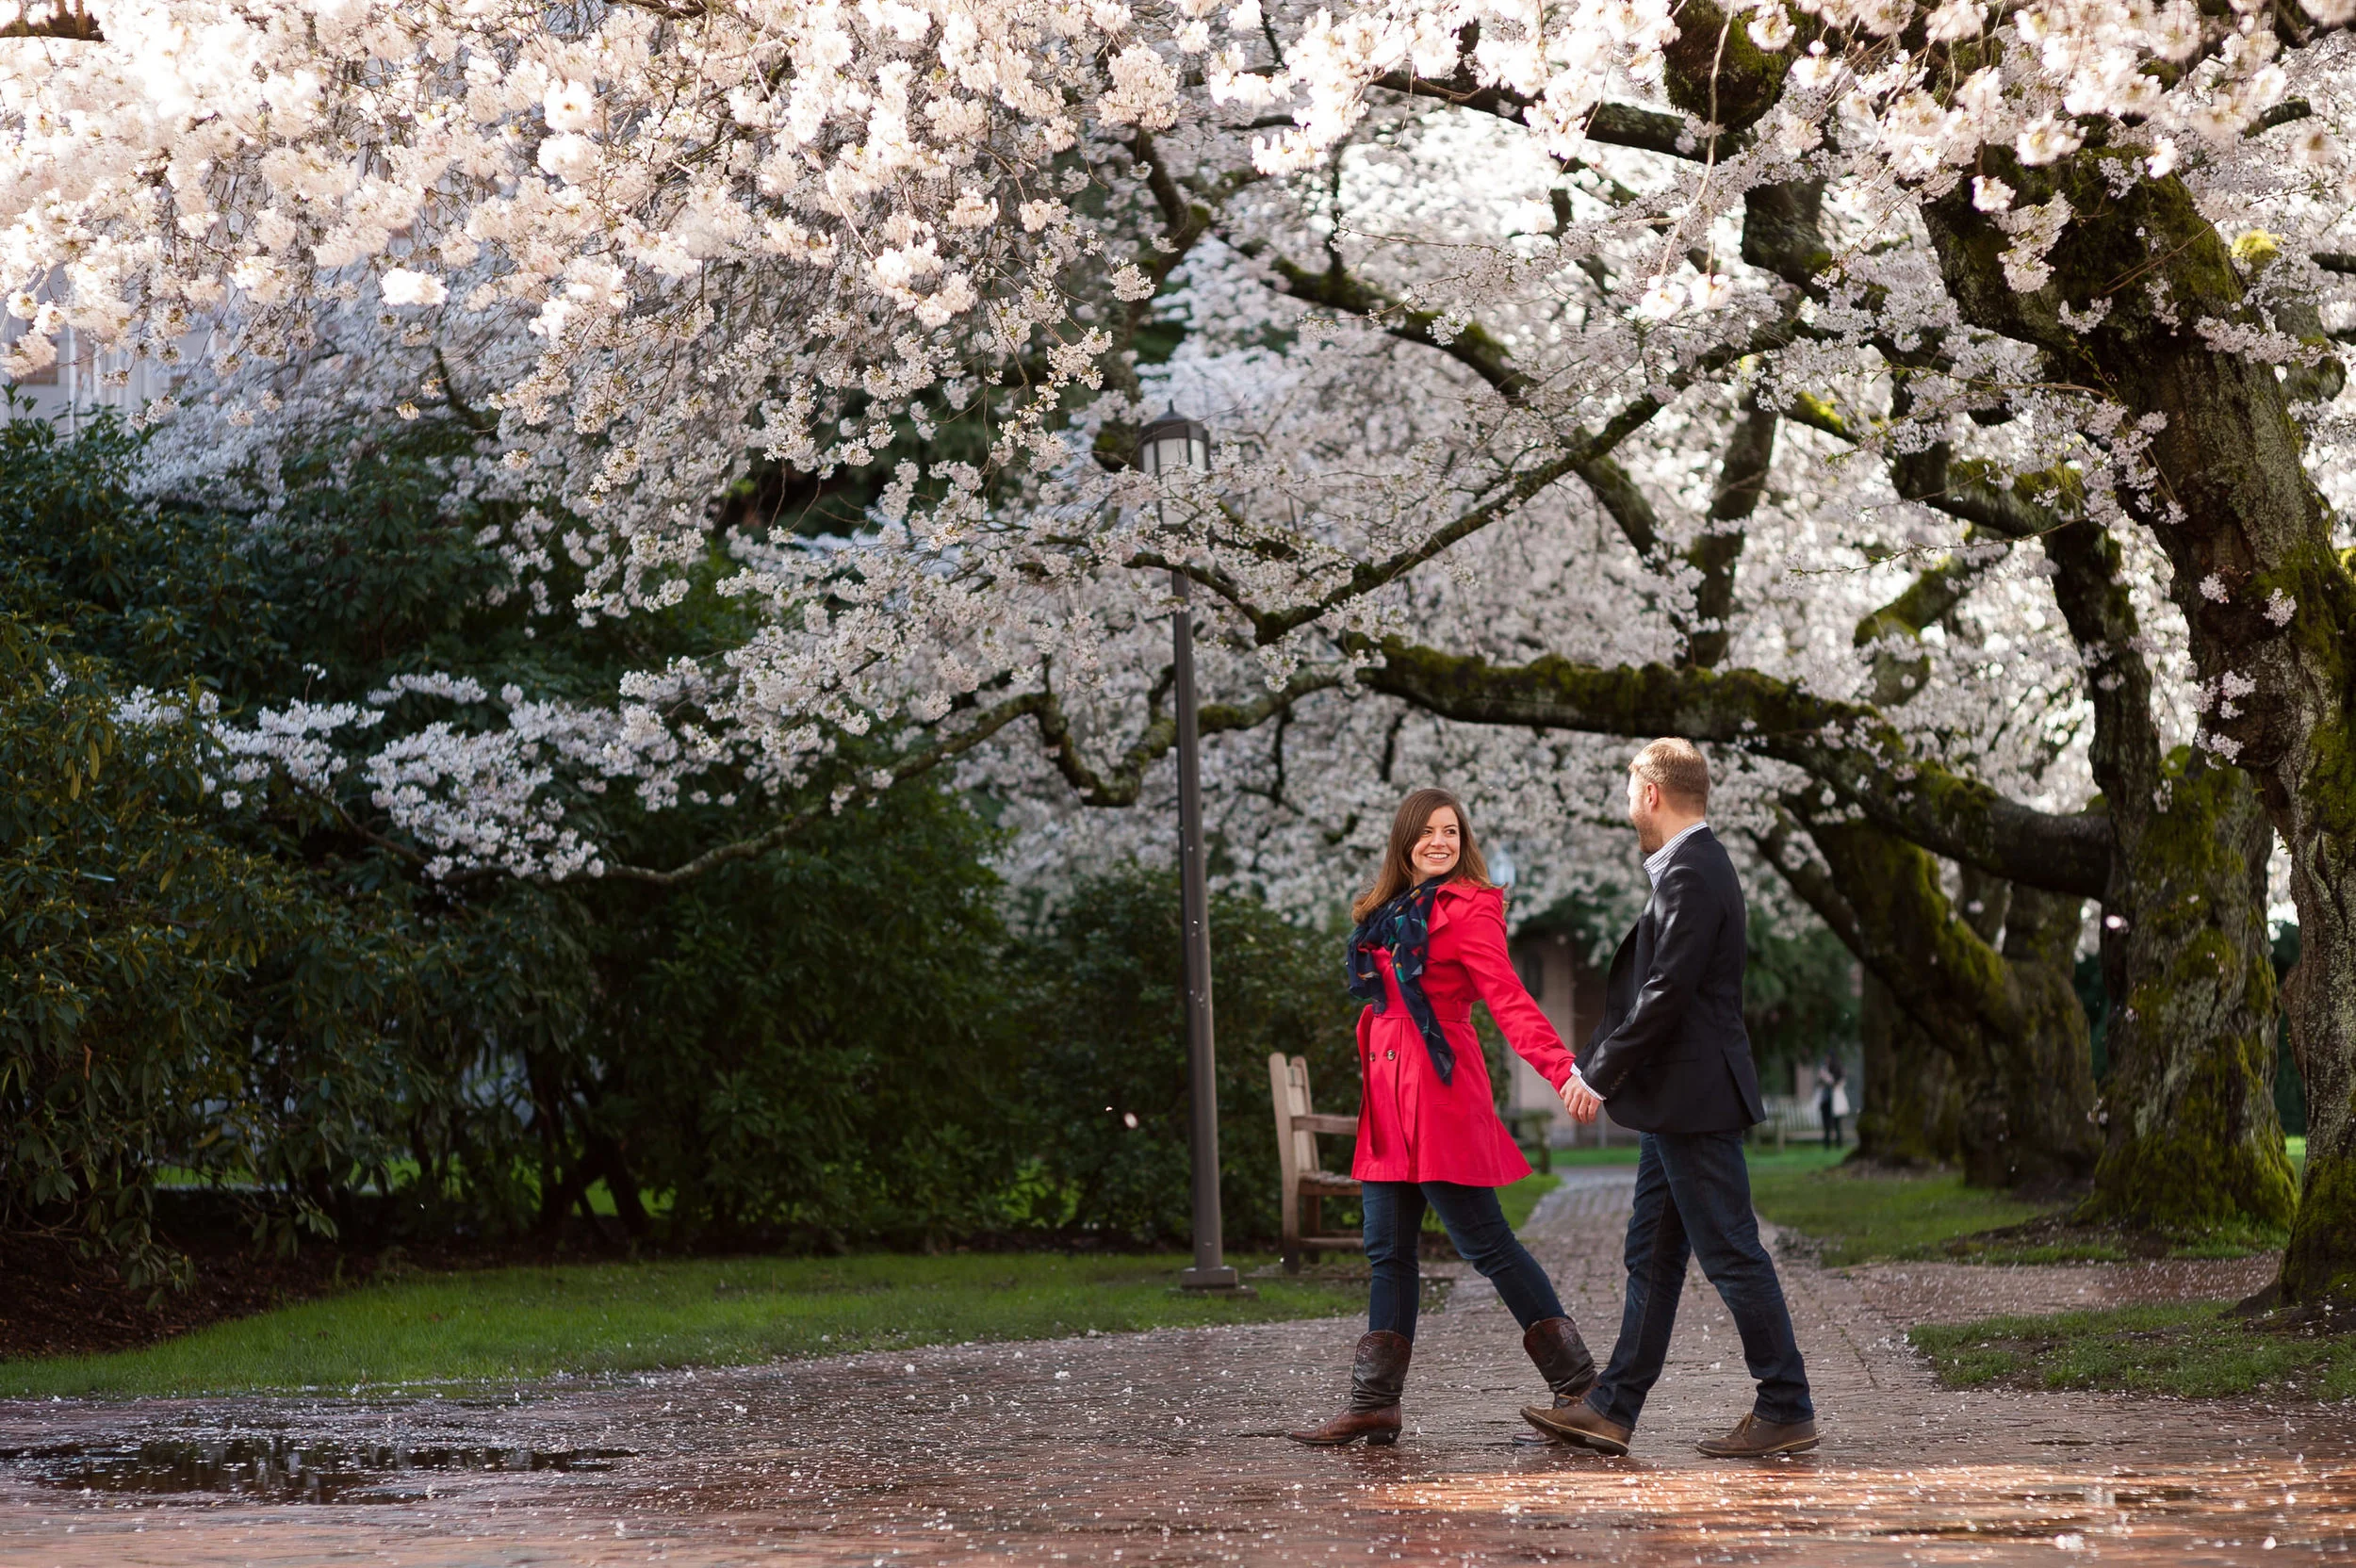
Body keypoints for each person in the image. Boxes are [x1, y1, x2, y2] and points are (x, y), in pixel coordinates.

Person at [1523, 739, 1819, 1459]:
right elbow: (1645, 998)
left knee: (1731, 1252)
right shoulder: (1687, 870)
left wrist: (1598, 1077)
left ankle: (1785, 1404)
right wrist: (1588, 1064)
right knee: (1650, 1257)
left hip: (1696, 1099)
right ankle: (1614, 1409)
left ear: (1651, 793)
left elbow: (1666, 996)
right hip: (1676, 1102)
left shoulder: (1693, 871)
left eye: (1629, 792)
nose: (1626, 807)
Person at [1287, 787, 1598, 1447]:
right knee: (1386, 1251)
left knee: (1485, 1242)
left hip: (1439, 1093)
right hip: (1388, 1101)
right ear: (1404, 841)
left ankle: (1579, 1385)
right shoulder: (1387, 913)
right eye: (1427, 831)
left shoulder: (1470, 908)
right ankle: (1374, 1403)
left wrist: (1561, 1068)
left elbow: (1507, 998)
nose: (1439, 842)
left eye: (1451, 832)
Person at [1815, 1054, 1849, 1150]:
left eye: (1828, 1058)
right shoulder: (1824, 1069)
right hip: (1826, 1101)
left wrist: (1827, 1077)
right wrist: (1821, 1078)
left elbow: (1838, 1083)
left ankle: (1839, 1145)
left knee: (1837, 1125)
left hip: (1836, 1102)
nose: (1827, 1060)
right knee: (1826, 1125)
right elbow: (1819, 1084)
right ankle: (1827, 1145)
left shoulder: (1838, 1070)